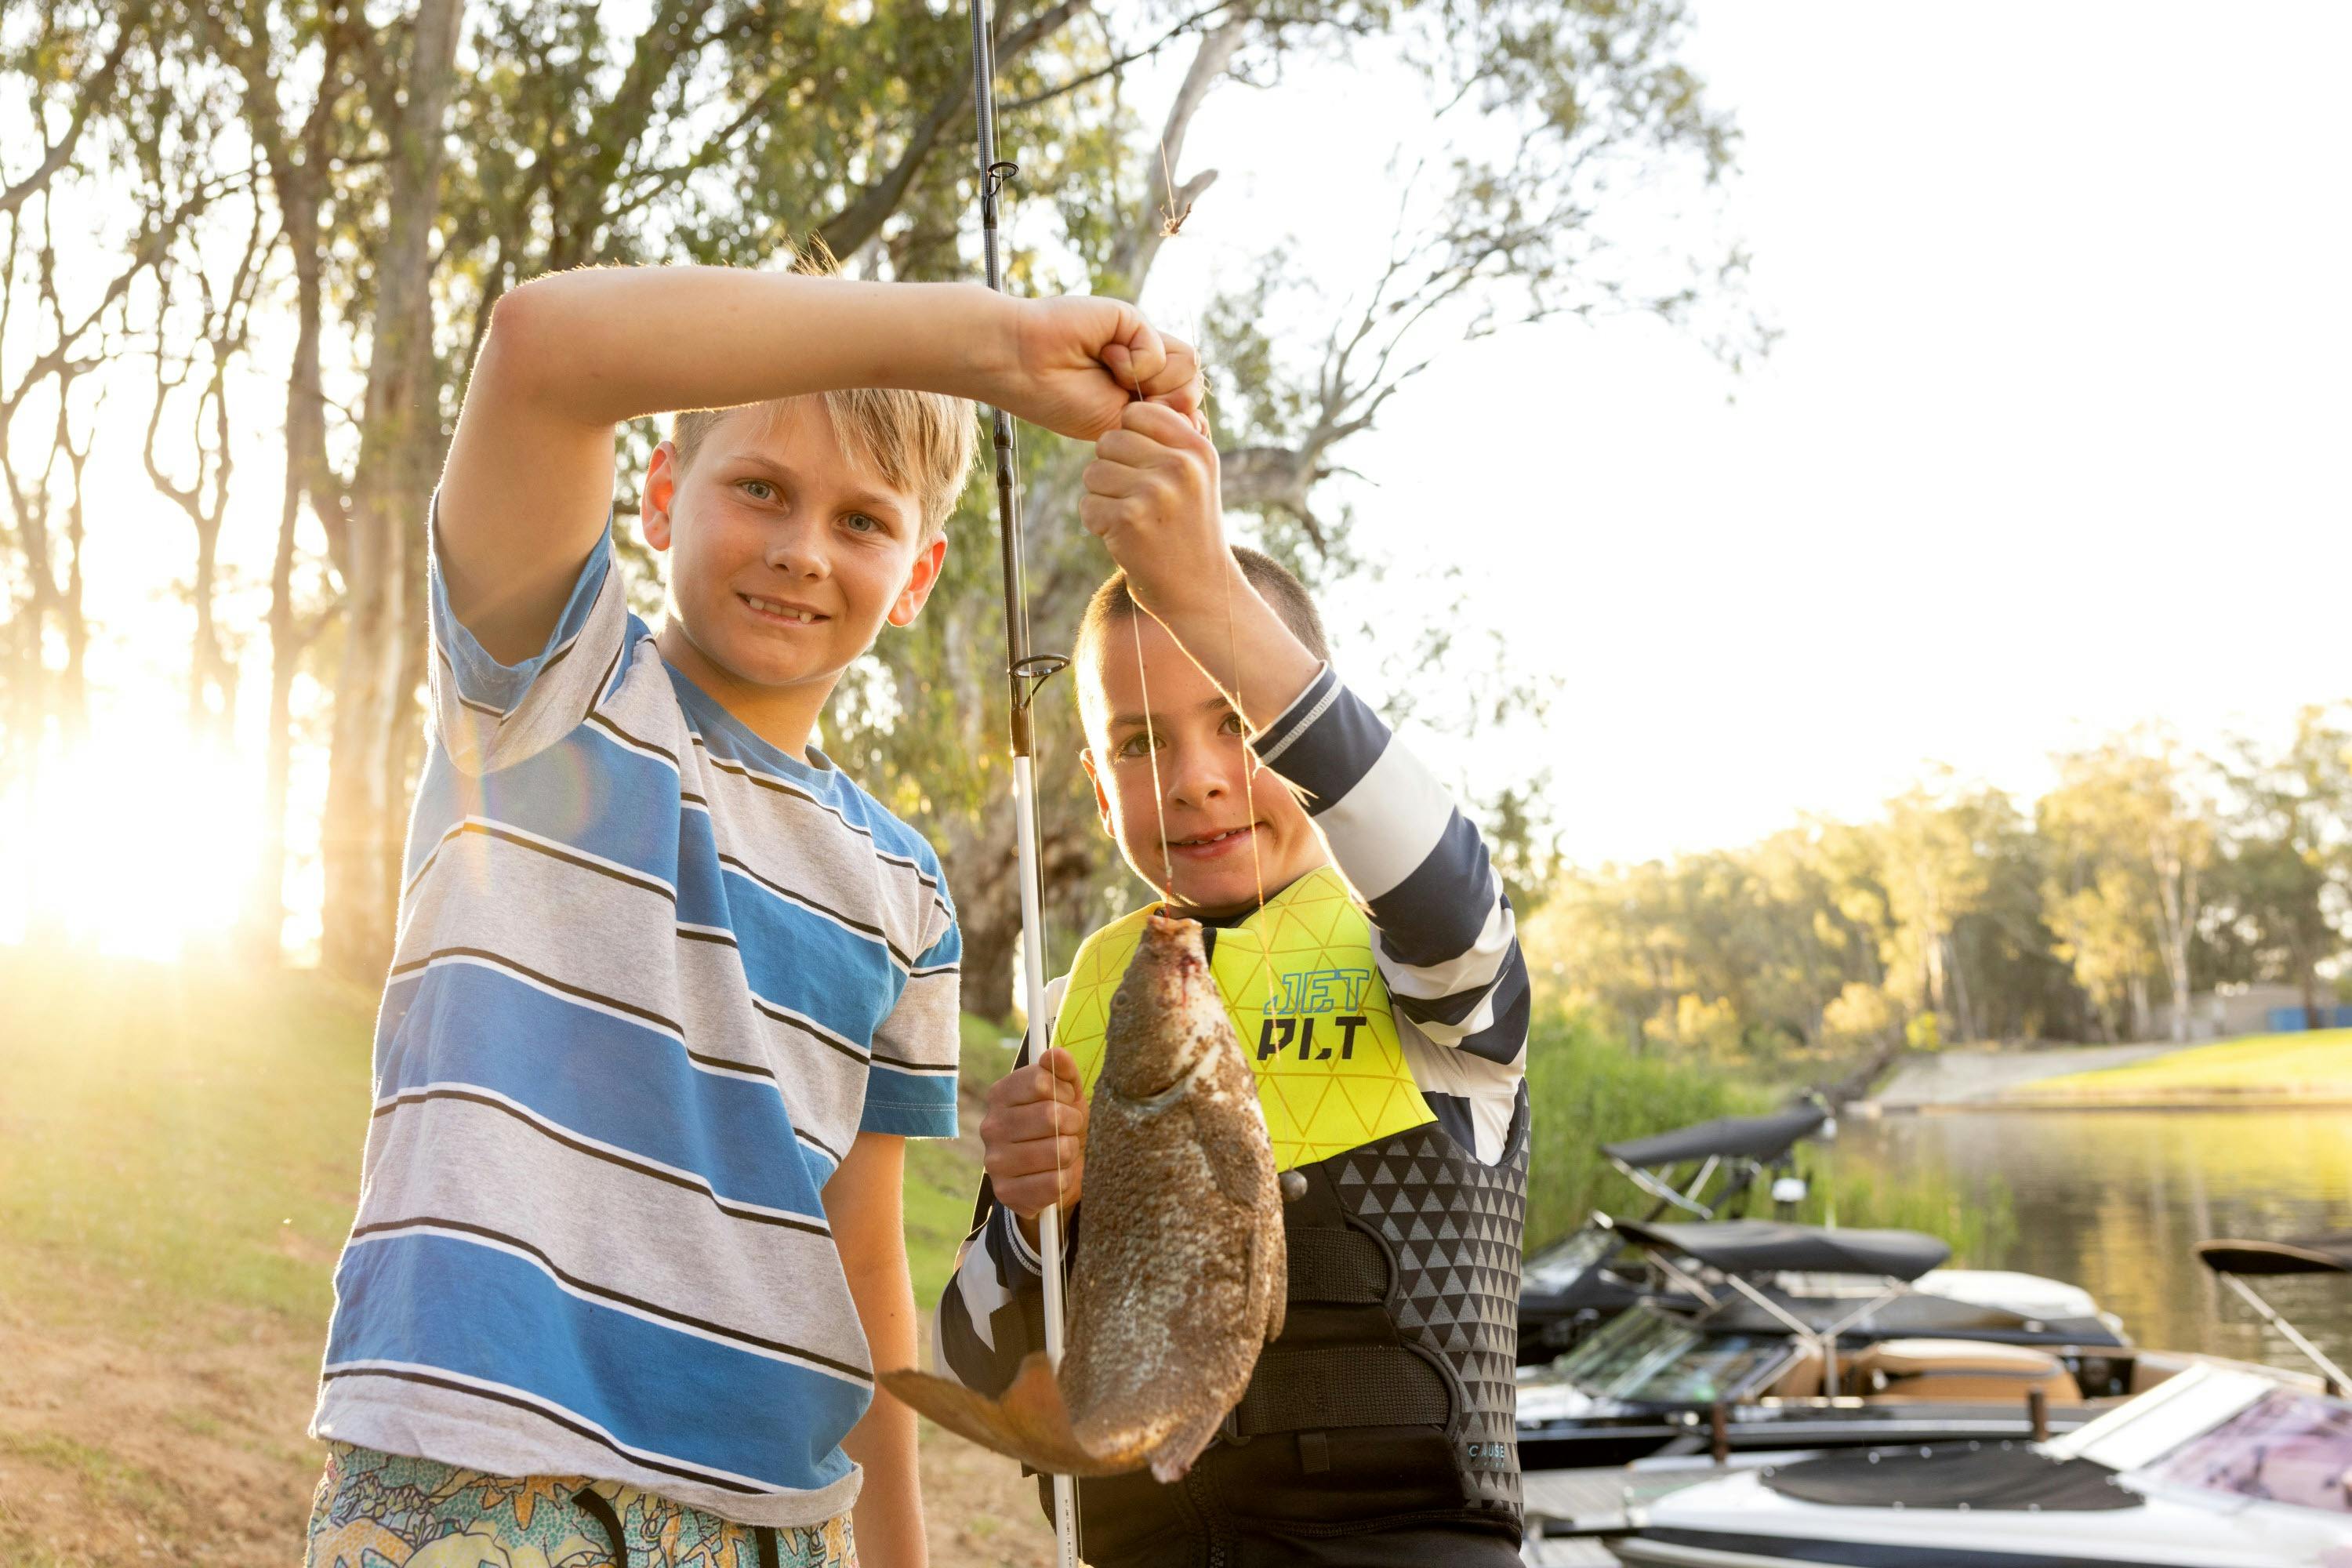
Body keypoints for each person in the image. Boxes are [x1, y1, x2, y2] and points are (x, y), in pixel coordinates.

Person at [302, 253, 1203, 1568]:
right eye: (762, 489)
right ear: (663, 496)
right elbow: (542, 345)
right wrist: (992, 349)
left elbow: (866, 1265)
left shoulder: (908, 893)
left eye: (862, 520)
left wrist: (896, 1556)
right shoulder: (549, 686)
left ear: (919, 574)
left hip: (774, 1523)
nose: (801, 549)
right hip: (479, 1468)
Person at [932, 398, 1532, 1566]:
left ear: (1313, 733)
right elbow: (973, 1358)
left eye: (1241, 721)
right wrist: (1030, 1217)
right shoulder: (1079, 1009)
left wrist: (1201, 585)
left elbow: (1443, 885)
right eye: (1140, 744)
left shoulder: (1429, 962)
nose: (1199, 779)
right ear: (1098, 790)